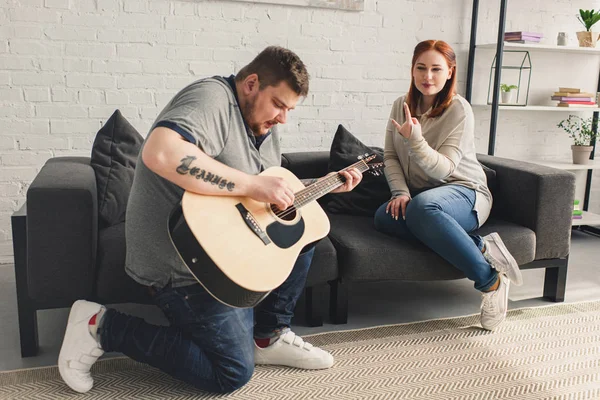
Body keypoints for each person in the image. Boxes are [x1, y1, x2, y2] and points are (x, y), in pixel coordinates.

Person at [58, 46, 363, 394]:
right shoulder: (212, 98)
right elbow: (161, 153)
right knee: (230, 373)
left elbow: (259, 195)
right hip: (180, 262)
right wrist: (253, 183)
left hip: (223, 249)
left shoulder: (262, 126)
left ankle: (268, 336)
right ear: (251, 84)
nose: (283, 119)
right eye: (279, 105)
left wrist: (325, 186)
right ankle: (100, 325)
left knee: (305, 232)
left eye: (289, 110)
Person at [373, 40, 523, 331]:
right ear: (412, 70)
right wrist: (400, 192)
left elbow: (445, 169)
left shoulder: (459, 110)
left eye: (436, 69)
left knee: (424, 207)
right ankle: (480, 247)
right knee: (383, 217)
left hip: (465, 192)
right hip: (421, 199)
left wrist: (415, 140)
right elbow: (390, 156)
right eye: (421, 68)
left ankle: (490, 282)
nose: (427, 77)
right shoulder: (400, 105)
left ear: (450, 72)